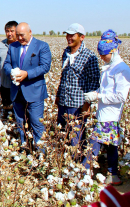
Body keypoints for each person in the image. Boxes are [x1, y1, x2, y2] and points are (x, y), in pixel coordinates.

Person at [83, 30, 130, 186]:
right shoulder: (109, 67)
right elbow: (105, 91)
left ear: (113, 51)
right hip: (104, 113)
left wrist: (99, 97)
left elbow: (121, 97)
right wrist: (95, 93)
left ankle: (84, 172)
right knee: (111, 146)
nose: (101, 58)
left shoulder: (122, 69)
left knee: (94, 144)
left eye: (104, 55)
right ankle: (113, 175)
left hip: (110, 115)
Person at [3, 22, 51, 147]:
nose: (19, 38)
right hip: (17, 91)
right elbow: (6, 64)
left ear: (30, 32)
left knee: (36, 122)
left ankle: (40, 152)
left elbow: (45, 66)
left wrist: (26, 74)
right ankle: (25, 147)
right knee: (20, 122)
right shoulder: (13, 47)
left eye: (22, 35)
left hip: (34, 92)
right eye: (17, 35)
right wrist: (12, 72)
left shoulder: (42, 46)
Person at [55, 23, 100, 148]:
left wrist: (87, 105)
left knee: (76, 136)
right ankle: (64, 160)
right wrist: (58, 95)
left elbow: (94, 82)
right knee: (63, 133)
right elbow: (63, 76)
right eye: (67, 35)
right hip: (63, 102)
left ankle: (76, 162)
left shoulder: (89, 56)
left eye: (72, 35)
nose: (69, 37)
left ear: (82, 37)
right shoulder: (66, 53)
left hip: (78, 104)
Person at [0, 21, 18, 117]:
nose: (9, 34)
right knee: (6, 108)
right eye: (7, 31)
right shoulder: (1, 45)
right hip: (5, 84)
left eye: (12, 31)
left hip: (19, 85)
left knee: (18, 110)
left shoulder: (21, 44)